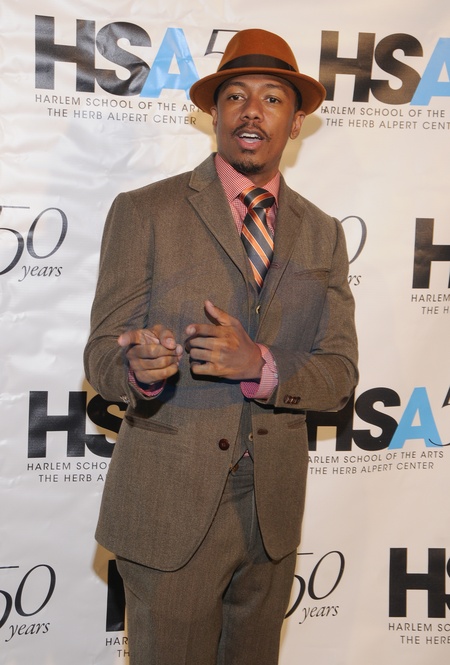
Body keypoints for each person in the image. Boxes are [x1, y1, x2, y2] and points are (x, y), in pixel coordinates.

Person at [84, 28, 358, 665]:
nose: (252, 111)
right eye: (235, 96)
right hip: (170, 508)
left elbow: (339, 372)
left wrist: (261, 363)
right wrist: (139, 369)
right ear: (214, 113)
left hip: (271, 515)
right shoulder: (145, 211)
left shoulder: (323, 233)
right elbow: (101, 353)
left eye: (272, 98)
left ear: (295, 123)